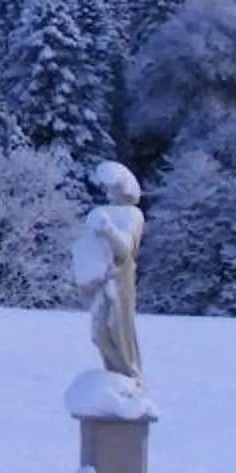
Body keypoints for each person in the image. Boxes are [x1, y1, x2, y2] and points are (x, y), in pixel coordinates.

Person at [70, 160, 145, 385]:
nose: (109, 191)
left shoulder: (133, 215)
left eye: (113, 186)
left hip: (120, 280)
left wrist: (109, 230)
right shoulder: (99, 212)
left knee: (119, 330)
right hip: (101, 281)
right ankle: (114, 376)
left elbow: (125, 250)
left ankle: (130, 377)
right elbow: (89, 248)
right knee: (99, 334)